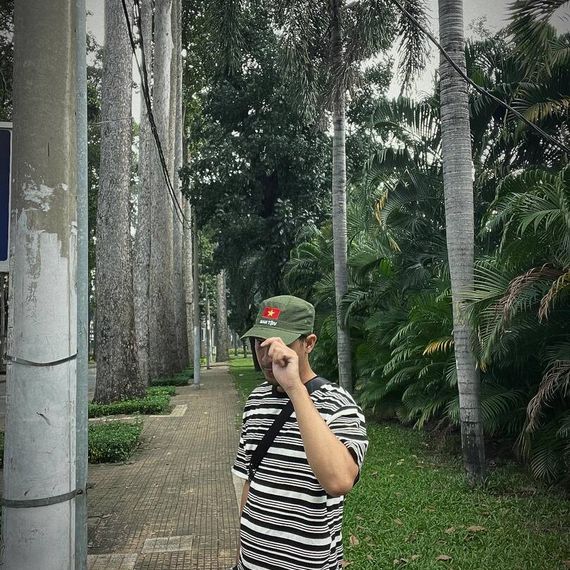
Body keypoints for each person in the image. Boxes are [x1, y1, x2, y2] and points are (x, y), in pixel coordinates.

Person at [231, 295, 368, 570]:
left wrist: (294, 388)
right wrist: (241, 553)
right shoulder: (256, 399)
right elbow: (251, 479)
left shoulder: (338, 404)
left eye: (279, 344)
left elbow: (339, 482)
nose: (267, 356)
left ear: (309, 343)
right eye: (260, 343)